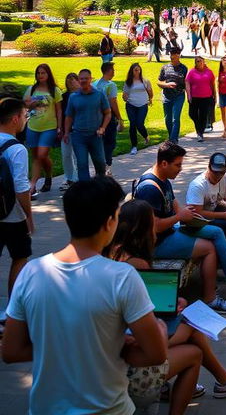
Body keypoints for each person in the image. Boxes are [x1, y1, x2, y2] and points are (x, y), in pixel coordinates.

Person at [2, 176, 167, 415]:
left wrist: (62, 345)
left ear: (68, 218)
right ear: (110, 221)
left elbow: (11, 351)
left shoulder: (31, 272)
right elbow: (155, 354)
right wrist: (118, 342)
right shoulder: (122, 276)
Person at [108, 199, 226, 401]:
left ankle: (222, 380)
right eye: (154, 223)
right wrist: (173, 308)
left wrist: (172, 300)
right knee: (193, 331)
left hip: (119, 344)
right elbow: (147, 314)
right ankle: (225, 381)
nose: (158, 227)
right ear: (142, 229)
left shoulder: (115, 252)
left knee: (190, 334)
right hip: (132, 347)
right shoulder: (137, 263)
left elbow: (145, 301)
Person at [135, 141, 226, 312]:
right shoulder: (149, 189)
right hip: (156, 243)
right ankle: (214, 296)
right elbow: (154, 227)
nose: (180, 169)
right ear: (164, 163)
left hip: (171, 231)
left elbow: (173, 204)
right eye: (177, 165)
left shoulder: (163, 178)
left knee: (216, 231)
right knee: (209, 247)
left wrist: (187, 216)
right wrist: (180, 217)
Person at [0, 98, 33, 319]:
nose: (25, 120)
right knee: (20, 257)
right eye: (24, 116)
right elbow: (21, 187)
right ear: (15, 119)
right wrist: (29, 216)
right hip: (11, 214)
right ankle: (12, 313)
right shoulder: (17, 148)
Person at [64, 67, 111, 181]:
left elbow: (108, 113)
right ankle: (86, 191)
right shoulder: (73, 97)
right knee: (82, 164)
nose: (83, 81)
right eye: (81, 79)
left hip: (96, 135)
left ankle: (102, 187)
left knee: (100, 163)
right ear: (78, 80)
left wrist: (103, 128)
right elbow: (69, 116)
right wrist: (66, 132)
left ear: (91, 79)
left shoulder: (99, 94)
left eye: (86, 78)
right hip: (79, 136)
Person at [23, 63, 62, 196]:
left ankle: (33, 185)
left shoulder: (54, 91)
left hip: (49, 127)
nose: (40, 75)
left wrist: (59, 127)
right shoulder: (31, 89)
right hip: (33, 126)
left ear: (48, 74)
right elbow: (26, 107)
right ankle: (47, 177)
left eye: (43, 73)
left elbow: (59, 110)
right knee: (36, 156)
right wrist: (32, 104)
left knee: (41, 155)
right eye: (38, 73)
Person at [94, 61, 123, 176]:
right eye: (113, 70)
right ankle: (107, 166)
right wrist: (119, 117)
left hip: (96, 116)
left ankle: (100, 166)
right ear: (109, 71)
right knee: (110, 142)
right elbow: (113, 102)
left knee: (99, 142)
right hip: (109, 117)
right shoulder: (111, 85)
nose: (114, 72)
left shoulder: (94, 84)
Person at [159, 47, 188, 143]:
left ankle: (173, 139)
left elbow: (187, 83)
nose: (172, 57)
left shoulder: (184, 68)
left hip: (179, 96)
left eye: (174, 55)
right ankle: (172, 136)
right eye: (171, 54)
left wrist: (189, 94)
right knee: (168, 119)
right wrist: (166, 85)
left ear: (178, 55)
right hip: (167, 96)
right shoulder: (165, 67)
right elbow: (159, 82)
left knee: (175, 118)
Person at [123, 61, 153, 154]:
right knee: (132, 124)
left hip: (142, 105)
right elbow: (124, 94)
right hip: (131, 105)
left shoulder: (145, 81)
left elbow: (150, 92)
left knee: (139, 123)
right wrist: (125, 97)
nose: (137, 72)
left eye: (138, 70)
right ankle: (134, 146)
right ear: (132, 71)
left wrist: (149, 99)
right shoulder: (128, 82)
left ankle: (146, 136)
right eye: (135, 70)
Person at [185, 55, 216, 141]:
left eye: (201, 61)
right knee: (192, 114)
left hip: (206, 97)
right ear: (195, 63)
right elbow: (187, 83)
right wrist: (188, 95)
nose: (200, 63)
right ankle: (199, 128)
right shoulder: (191, 72)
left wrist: (215, 96)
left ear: (204, 62)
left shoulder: (209, 72)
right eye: (198, 61)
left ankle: (200, 133)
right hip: (194, 97)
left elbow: (213, 85)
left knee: (203, 116)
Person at [59, 73, 79, 191]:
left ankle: (78, 179)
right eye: (68, 80)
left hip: (79, 130)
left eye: (73, 79)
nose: (71, 82)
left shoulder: (82, 95)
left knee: (78, 156)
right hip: (66, 130)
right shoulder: (64, 96)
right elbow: (61, 113)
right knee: (66, 155)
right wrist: (61, 129)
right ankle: (68, 177)